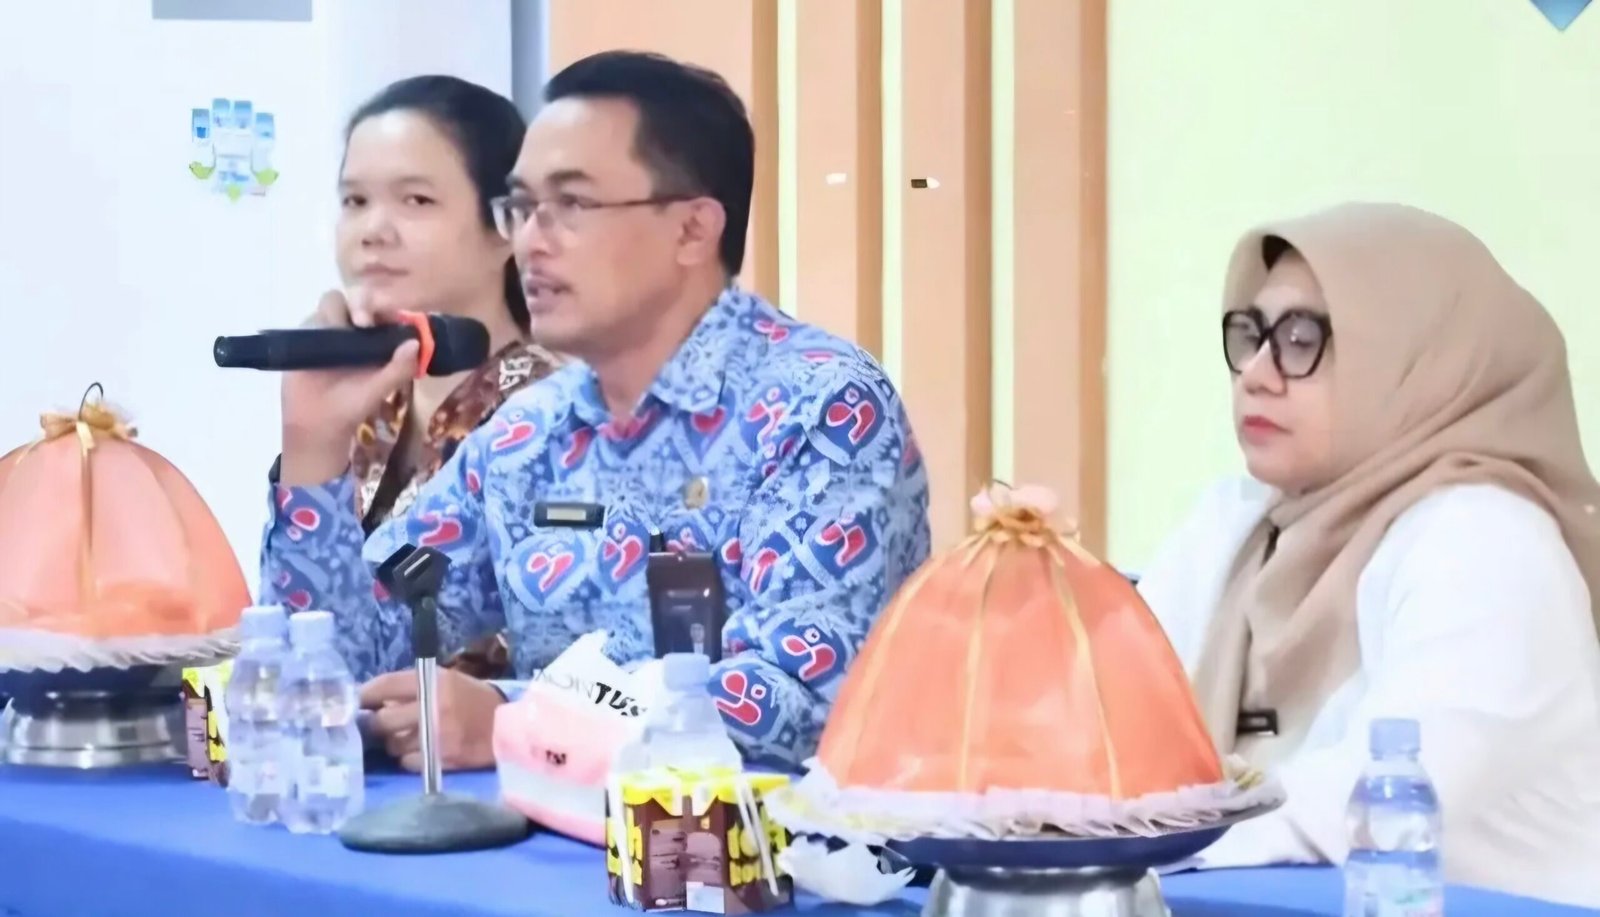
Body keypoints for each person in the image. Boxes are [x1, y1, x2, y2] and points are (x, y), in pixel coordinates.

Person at [259, 51, 931, 771]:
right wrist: (315, 446)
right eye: (522, 208)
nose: (530, 240)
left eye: (572, 205)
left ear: (692, 230)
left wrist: (516, 724)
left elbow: (803, 702)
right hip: (543, 836)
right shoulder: (529, 435)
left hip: (751, 842)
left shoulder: (819, 407)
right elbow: (341, 660)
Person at [1137, 202, 1600, 908]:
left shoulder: (1484, 541)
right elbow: (1103, 725)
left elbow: (1368, 800)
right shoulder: (1236, 524)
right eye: (1251, 334)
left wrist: (1123, 835)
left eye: (1302, 339)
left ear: (1417, 365)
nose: (1257, 373)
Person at [325, 75, 559, 679]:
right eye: (355, 201)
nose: (373, 230)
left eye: (416, 201)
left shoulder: (558, 414)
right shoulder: (361, 398)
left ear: (507, 225)